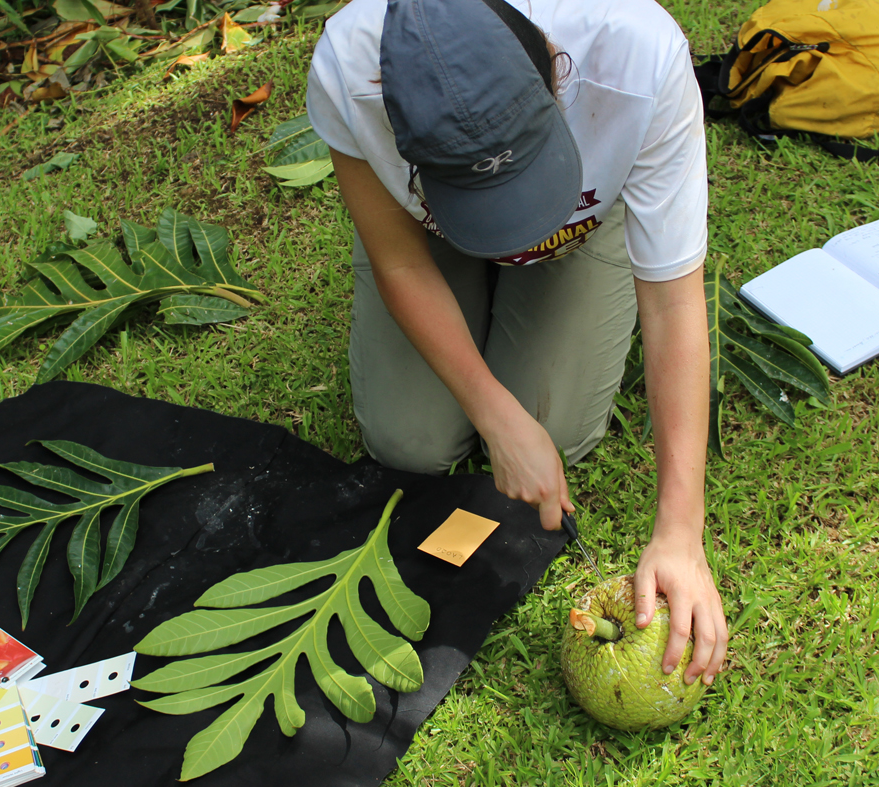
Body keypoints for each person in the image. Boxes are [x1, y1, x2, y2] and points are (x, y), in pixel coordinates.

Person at [306, 0, 727, 684]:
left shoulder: (640, 60)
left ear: (557, 77)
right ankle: (474, 281)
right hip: (429, 246)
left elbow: (675, 301)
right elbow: (402, 259)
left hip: (584, 229)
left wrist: (679, 532)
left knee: (554, 425)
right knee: (407, 441)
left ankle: (559, 244)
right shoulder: (350, 65)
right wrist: (492, 412)